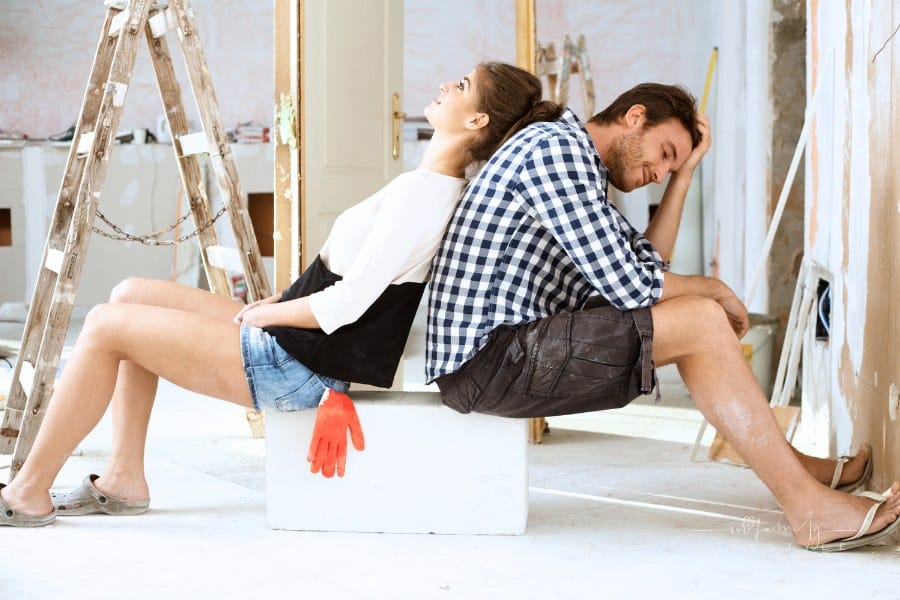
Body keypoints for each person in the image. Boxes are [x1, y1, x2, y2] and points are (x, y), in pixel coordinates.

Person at [0, 62, 564, 527]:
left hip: (302, 363)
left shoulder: (426, 196)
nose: (446, 84)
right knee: (126, 294)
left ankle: (28, 493)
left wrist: (264, 317)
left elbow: (347, 304)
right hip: (302, 338)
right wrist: (271, 309)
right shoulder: (425, 184)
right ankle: (123, 478)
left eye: (461, 86)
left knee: (104, 324)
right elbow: (344, 283)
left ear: (478, 118)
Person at [426, 82, 900, 552]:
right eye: (664, 152)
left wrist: (684, 175)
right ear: (635, 117)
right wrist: (714, 289)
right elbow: (630, 285)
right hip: (487, 360)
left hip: (504, 352)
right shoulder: (555, 150)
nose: (657, 172)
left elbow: (647, 265)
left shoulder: (579, 164)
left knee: (696, 314)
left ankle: (797, 470)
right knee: (701, 317)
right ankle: (808, 508)